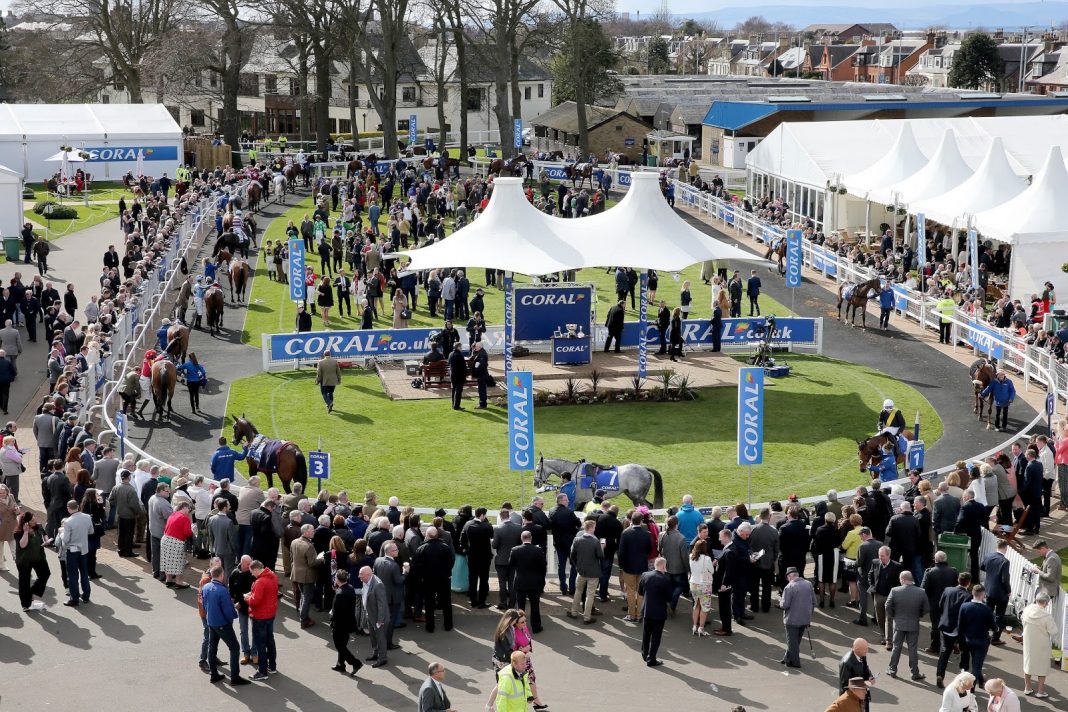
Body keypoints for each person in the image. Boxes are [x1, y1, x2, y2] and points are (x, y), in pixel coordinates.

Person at [201, 563, 252, 686]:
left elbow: (204, 604)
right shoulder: (222, 591)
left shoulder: (206, 587)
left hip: (211, 622)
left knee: (212, 648)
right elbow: (228, 611)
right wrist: (235, 611)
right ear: (222, 575)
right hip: (222, 624)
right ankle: (235, 677)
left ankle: (214, 675)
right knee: (234, 648)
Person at [884, 570, 928, 680]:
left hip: (899, 624)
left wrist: (894, 615)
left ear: (903, 579)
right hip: (913, 624)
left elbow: (887, 606)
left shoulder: (895, 591)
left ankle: (892, 669)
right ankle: (914, 673)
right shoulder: (921, 592)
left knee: (896, 647)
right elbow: (927, 608)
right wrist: (919, 614)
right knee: (912, 649)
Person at [414, 526, 455, 632]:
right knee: (446, 602)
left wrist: (421, 577)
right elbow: (451, 561)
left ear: (427, 536)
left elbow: (417, 565)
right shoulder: (445, 547)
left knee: (429, 603)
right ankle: (448, 625)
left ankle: (430, 626)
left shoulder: (421, 548)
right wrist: (447, 572)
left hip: (428, 580)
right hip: (443, 578)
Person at [244, 559, 278, 681]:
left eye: (252, 572)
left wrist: (247, 598)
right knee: (270, 640)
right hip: (270, 614)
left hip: (260, 617)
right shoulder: (273, 576)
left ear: (256, 569)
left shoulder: (260, 582)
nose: (252, 574)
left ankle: (262, 671)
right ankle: (272, 666)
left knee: (260, 644)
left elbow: (255, 601)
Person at [958, 583, 997, 686]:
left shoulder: (964, 606)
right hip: (982, 641)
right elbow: (994, 627)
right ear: (983, 595)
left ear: (972, 593)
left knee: (973, 662)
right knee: (977, 666)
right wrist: (996, 628)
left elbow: (960, 625)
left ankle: (980, 680)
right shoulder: (987, 609)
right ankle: (971, 688)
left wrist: (959, 641)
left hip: (968, 640)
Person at [1019, 592, 1057, 698]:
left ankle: (1027, 688)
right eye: (1047, 603)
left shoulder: (1027, 610)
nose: (1047, 605)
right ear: (1045, 602)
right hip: (1042, 644)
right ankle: (1040, 691)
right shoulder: (1046, 616)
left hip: (1028, 642)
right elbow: (1054, 631)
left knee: (1028, 664)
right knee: (1042, 667)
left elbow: (1022, 620)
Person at [509, 530, 546, 633]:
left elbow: (511, 564)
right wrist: (541, 580)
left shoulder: (515, 550)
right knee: (535, 605)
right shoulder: (538, 550)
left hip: (520, 581)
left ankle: (520, 627)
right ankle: (536, 627)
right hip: (535, 582)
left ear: (521, 538)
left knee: (520, 606)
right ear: (531, 538)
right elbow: (543, 567)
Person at [329, 568, 364, 677]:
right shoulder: (350, 588)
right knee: (342, 644)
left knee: (339, 646)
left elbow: (336, 612)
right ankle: (340, 664)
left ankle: (355, 662)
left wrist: (332, 622)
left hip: (340, 625)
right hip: (348, 622)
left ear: (337, 579)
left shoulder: (339, 594)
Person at [780, 565, 817, 668]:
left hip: (791, 619)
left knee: (792, 643)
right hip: (805, 619)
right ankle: (787, 658)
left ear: (790, 576)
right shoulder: (808, 584)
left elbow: (784, 605)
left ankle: (795, 663)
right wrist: (809, 616)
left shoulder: (789, 587)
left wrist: (780, 601)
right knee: (795, 641)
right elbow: (814, 602)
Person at [618, 511, 652, 622]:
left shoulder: (625, 533)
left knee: (631, 591)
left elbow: (621, 552)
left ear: (631, 520)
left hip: (628, 567)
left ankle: (631, 615)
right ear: (641, 521)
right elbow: (649, 550)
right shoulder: (647, 534)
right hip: (642, 566)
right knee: (640, 592)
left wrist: (621, 566)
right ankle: (639, 615)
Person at [638, 557, 672, 667]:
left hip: (647, 610)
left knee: (646, 633)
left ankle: (644, 653)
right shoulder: (665, 579)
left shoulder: (645, 575)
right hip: (659, 612)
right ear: (663, 566)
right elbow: (669, 598)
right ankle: (651, 659)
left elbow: (640, 592)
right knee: (656, 636)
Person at [15, 510, 51, 612]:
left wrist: (46, 540)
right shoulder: (18, 532)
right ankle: (25, 605)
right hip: (24, 560)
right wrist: (26, 532)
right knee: (24, 582)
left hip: (38, 557)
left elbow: (44, 534)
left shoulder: (38, 526)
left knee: (45, 574)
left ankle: (31, 592)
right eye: (31, 520)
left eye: (34, 518)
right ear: (26, 522)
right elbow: (22, 545)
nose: (34, 520)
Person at [979, 540, 1010, 646]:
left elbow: (982, 567)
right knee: (999, 616)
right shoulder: (1005, 561)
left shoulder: (988, 556)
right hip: (1000, 593)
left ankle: (983, 632)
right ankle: (995, 638)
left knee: (987, 612)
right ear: (1005, 548)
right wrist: (1008, 591)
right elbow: (1005, 579)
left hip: (988, 590)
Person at [358, 565, 390, 668]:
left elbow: (382, 604)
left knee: (380, 638)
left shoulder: (378, 585)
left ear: (368, 574)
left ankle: (383, 658)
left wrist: (380, 620)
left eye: (361, 574)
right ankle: (376, 653)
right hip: (370, 614)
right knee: (373, 637)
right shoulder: (365, 581)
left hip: (378, 618)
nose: (359, 576)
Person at [838, 639, 875, 712]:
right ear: (858, 649)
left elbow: (865, 667)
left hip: (862, 695)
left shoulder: (861, 654)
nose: (867, 651)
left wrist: (870, 676)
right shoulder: (846, 663)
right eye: (865, 649)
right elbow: (845, 686)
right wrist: (866, 683)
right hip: (853, 699)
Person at [688, 539, 716, 636]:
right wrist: (713, 564)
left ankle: (694, 626)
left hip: (693, 584)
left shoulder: (691, 556)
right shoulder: (707, 559)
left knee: (696, 605)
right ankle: (701, 628)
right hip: (704, 585)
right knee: (705, 607)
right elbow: (712, 571)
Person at [315, 349, 342, 413]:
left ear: (324, 355)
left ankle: (329, 403)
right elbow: (338, 372)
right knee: (330, 393)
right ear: (330, 354)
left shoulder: (320, 362)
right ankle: (330, 406)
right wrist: (339, 379)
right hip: (333, 380)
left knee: (324, 393)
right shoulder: (335, 361)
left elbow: (319, 373)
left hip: (324, 381)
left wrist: (318, 380)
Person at [447, 343, 467, 410]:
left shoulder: (450, 354)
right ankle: (456, 406)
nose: (462, 348)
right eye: (461, 347)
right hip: (459, 376)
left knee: (453, 390)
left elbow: (449, 363)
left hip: (453, 375)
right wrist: (465, 375)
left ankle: (453, 404)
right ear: (458, 347)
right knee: (458, 391)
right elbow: (463, 367)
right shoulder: (459, 355)